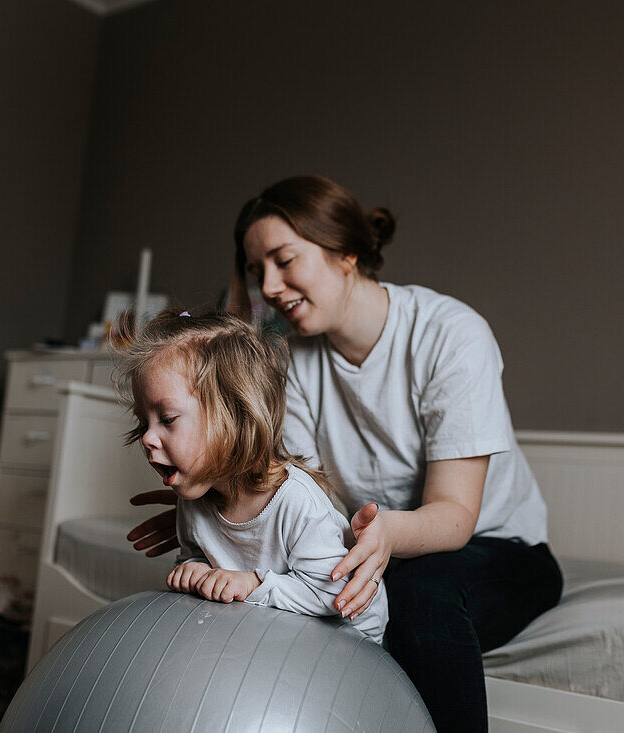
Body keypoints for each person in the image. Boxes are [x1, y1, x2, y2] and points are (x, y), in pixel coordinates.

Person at [128, 175, 562, 732]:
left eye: (284, 260)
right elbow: (295, 487)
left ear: (347, 251)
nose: (272, 286)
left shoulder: (451, 335)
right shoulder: (296, 360)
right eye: (258, 271)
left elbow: (455, 518)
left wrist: (386, 539)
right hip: (377, 545)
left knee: (414, 597)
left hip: (498, 547)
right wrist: (221, 502)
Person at [115, 307, 388, 643]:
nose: (147, 438)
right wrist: (196, 569)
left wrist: (252, 584)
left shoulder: (296, 502)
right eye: (144, 423)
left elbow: (332, 594)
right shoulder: (193, 501)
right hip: (269, 631)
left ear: (235, 416)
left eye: (167, 419)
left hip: (347, 639)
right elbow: (199, 555)